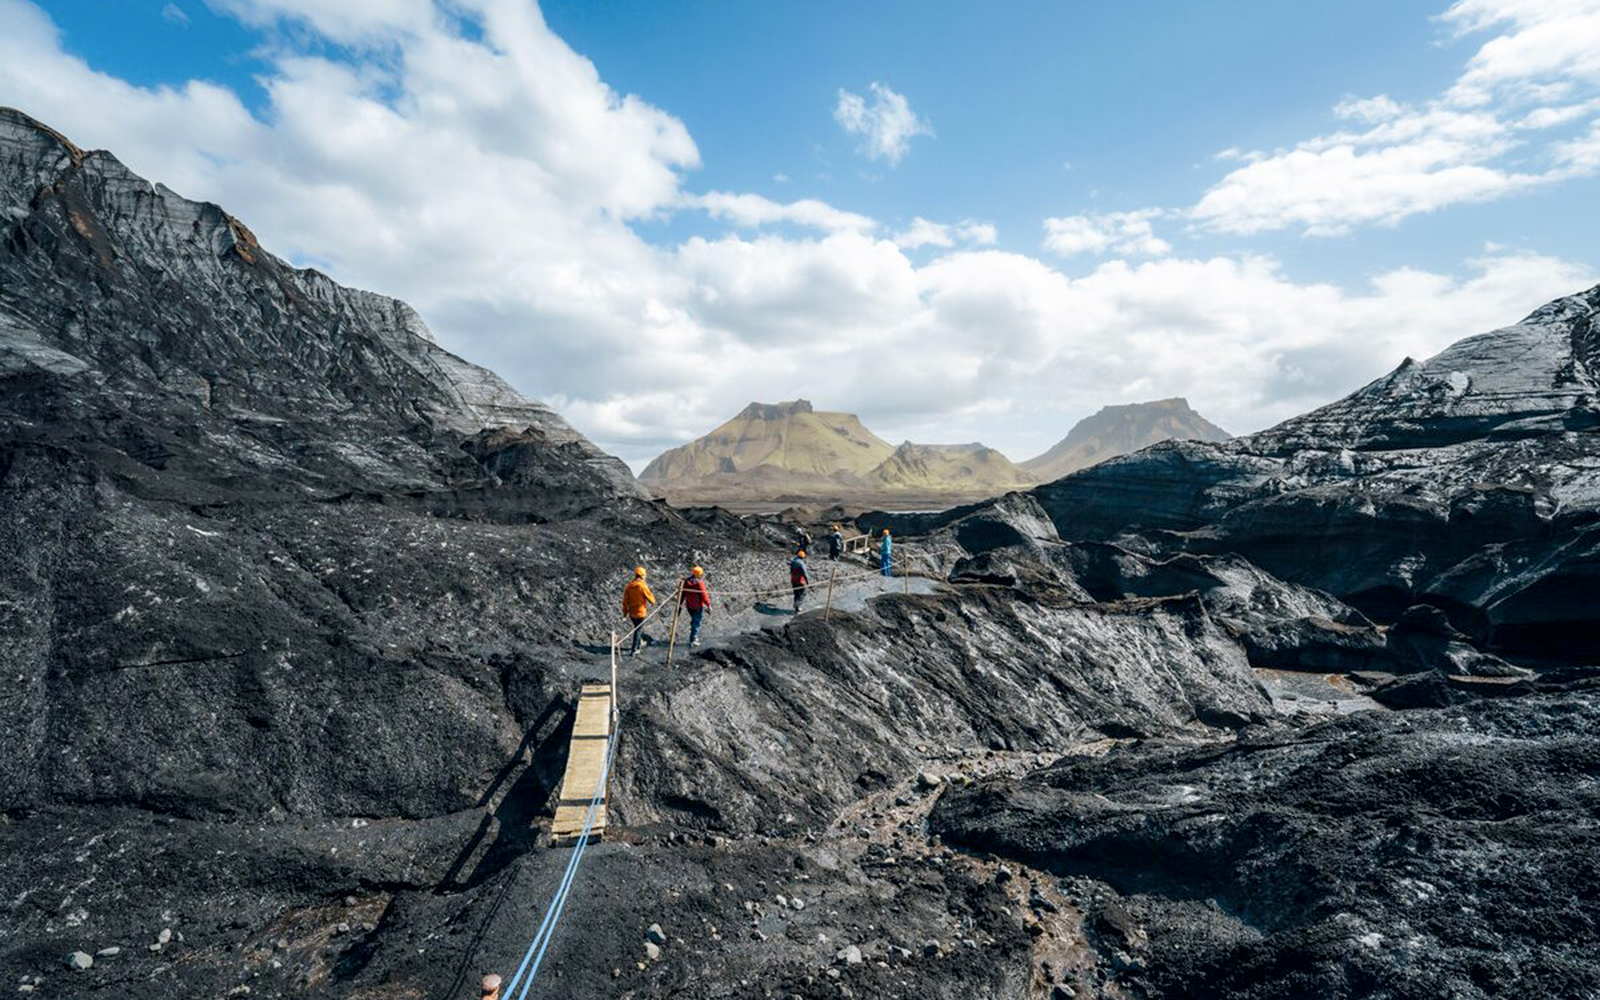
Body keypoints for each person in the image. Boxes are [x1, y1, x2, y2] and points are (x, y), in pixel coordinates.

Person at [622, 566, 656, 656]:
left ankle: (640, 642)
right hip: (641, 613)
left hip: (632, 613)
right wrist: (653, 602)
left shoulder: (628, 586)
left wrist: (625, 614)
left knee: (637, 627)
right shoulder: (642, 586)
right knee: (638, 630)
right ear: (642, 576)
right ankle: (635, 649)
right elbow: (651, 599)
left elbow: (625, 602)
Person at [679, 565, 712, 648]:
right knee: (696, 622)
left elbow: (682, 593)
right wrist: (708, 605)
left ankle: (693, 635)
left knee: (694, 620)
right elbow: (704, 595)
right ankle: (693, 640)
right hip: (697, 606)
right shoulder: (699, 583)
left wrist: (680, 603)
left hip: (689, 605)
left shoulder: (686, 582)